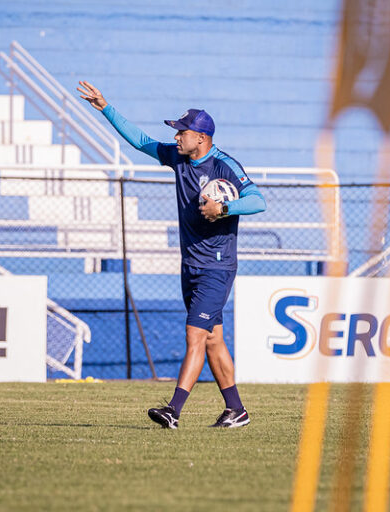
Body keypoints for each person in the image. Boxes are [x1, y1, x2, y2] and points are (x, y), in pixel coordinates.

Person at [77, 81, 266, 429]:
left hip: (216, 266)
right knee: (212, 339)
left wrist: (224, 207)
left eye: (183, 132)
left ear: (202, 138)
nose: (177, 137)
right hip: (191, 264)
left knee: (195, 335)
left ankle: (173, 410)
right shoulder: (179, 159)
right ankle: (236, 410)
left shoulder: (224, 166)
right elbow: (141, 141)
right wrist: (105, 107)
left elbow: (258, 201)